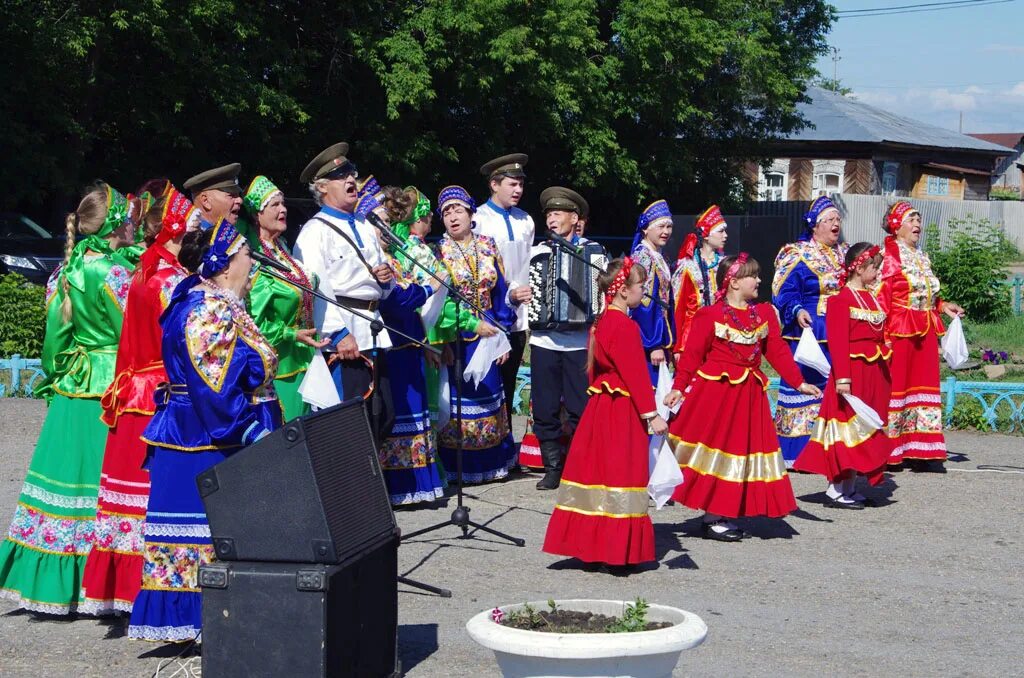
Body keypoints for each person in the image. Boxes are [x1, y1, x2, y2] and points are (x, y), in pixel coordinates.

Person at [128, 219, 282, 642]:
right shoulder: (208, 308)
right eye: (248, 255)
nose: (253, 262)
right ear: (227, 263)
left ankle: (221, 620)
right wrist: (245, 429)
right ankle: (204, 622)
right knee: (206, 532)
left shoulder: (217, 300)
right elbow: (214, 381)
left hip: (209, 430)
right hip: (208, 435)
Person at [0, 183, 137, 613]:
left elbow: (53, 346)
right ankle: (103, 584)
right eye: (128, 216)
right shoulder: (117, 273)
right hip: (111, 386)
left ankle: (55, 583)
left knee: (64, 486)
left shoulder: (64, 272)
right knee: (105, 485)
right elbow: (129, 333)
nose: (134, 222)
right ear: (115, 224)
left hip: (73, 386)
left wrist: (59, 379)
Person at [80, 185, 195, 616]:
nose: (199, 230)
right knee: (154, 496)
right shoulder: (168, 281)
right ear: (174, 229)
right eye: (194, 225)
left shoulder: (145, 270)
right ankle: (145, 589)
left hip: (133, 390)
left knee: (131, 497)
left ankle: (123, 589)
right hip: (157, 394)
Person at [664, 254, 822, 541]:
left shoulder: (763, 314)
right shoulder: (709, 315)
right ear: (734, 282)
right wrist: (678, 387)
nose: (759, 280)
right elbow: (691, 357)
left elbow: (777, 352)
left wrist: (799, 382)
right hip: (716, 397)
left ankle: (724, 510)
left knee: (740, 454)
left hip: (749, 397)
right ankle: (713, 516)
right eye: (753, 276)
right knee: (716, 452)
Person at [542, 257, 667, 567]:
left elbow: (593, 373)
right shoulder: (624, 325)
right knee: (622, 473)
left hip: (601, 407)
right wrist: (652, 414)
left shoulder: (601, 323)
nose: (643, 292)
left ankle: (593, 545)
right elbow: (636, 375)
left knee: (598, 475)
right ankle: (616, 551)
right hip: (622, 409)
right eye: (640, 286)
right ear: (623, 291)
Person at [292, 142, 396, 441]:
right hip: (345, 335)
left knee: (383, 415)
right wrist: (338, 334)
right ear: (323, 188)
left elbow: (381, 286)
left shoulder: (365, 226)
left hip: (373, 328)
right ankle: (349, 486)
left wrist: (385, 279)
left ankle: (370, 485)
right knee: (349, 423)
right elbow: (315, 289)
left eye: (351, 173)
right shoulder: (315, 232)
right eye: (341, 176)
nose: (351, 180)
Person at [364, 184, 448, 505]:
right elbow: (398, 301)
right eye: (381, 222)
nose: (387, 228)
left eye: (389, 221)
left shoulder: (391, 256)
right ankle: (400, 486)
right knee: (398, 410)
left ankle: (417, 484)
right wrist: (428, 289)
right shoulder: (378, 260)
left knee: (413, 409)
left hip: (409, 340)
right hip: (394, 343)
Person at [794, 243, 893, 507]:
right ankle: (836, 488)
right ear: (859, 268)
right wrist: (843, 379)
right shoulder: (840, 300)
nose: (878, 273)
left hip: (874, 371)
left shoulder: (872, 298)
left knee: (866, 428)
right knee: (848, 430)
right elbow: (838, 342)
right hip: (853, 374)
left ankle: (850, 487)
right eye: (874, 268)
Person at [432, 186, 518, 483]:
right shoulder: (437, 252)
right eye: (446, 212)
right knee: (460, 401)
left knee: (489, 395)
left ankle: (492, 464)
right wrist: (440, 342)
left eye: (458, 210)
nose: (452, 217)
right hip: (457, 337)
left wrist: (502, 334)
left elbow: (501, 292)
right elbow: (437, 304)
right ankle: (460, 469)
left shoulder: (488, 245)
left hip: (489, 333)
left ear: (471, 213)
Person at [876, 201, 964, 472]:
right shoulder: (888, 255)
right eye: (912, 220)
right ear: (897, 225)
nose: (918, 225)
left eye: (919, 220)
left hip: (924, 331)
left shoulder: (920, 256)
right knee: (898, 387)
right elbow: (881, 298)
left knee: (923, 388)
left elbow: (924, 295)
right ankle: (892, 449)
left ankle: (920, 449)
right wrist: (883, 337)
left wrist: (942, 306)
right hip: (900, 331)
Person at [528, 187, 604, 490]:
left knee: (579, 406)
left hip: (578, 342)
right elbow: (516, 288)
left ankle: (576, 463)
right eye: (548, 213)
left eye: (557, 213)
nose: (551, 218)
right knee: (544, 406)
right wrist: (520, 293)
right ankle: (552, 466)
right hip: (544, 341)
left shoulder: (593, 252)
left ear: (575, 218)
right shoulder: (539, 251)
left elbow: (603, 292)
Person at [241, 175, 330, 420]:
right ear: (257, 214)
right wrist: (291, 334)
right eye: (274, 205)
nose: (283, 209)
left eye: (283, 204)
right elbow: (252, 323)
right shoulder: (254, 257)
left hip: (305, 362)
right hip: (279, 369)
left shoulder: (282, 249)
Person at [771, 196, 850, 467]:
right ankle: (798, 452)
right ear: (814, 226)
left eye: (838, 219)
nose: (835, 224)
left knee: (835, 388)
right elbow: (784, 289)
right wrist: (796, 310)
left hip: (841, 330)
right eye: (829, 220)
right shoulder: (798, 253)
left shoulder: (845, 253)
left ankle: (831, 448)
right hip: (809, 330)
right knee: (806, 387)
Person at [473, 154, 535, 430]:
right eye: (512, 184)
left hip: (519, 315)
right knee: (488, 380)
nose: (518, 190)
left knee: (510, 380)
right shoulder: (479, 219)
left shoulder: (526, 221)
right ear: (494, 185)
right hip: (490, 313)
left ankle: (508, 442)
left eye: (521, 184)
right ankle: (489, 443)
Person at [672, 204, 727, 362]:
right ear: (707, 235)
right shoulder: (688, 266)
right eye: (721, 231)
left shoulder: (725, 264)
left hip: (721, 334)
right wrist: (678, 347)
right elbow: (680, 307)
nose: (725, 235)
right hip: (692, 336)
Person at [630, 199, 676, 384]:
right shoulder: (643, 256)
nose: (665, 232)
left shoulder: (658, 255)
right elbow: (644, 302)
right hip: (648, 338)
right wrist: (653, 344)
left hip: (660, 333)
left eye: (669, 226)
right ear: (645, 229)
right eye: (660, 226)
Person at [182, 163, 243, 230]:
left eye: (238, 195)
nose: (240, 200)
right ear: (205, 201)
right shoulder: (191, 238)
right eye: (231, 195)